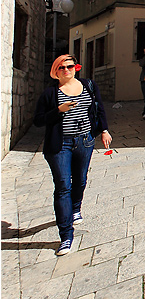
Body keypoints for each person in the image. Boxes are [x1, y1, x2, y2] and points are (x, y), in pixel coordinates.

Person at [34, 55, 112, 256]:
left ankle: (75, 207)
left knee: (80, 180)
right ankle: (66, 236)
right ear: (55, 71)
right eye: (61, 67)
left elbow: (99, 109)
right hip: (60, 145)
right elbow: (38, 120)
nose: (66, 70)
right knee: (62, 187)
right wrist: (58, 110)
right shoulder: (50, 93)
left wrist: (104, 130)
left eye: (70, 66)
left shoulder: (89, 86)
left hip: (85, 141)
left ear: (76, 68)